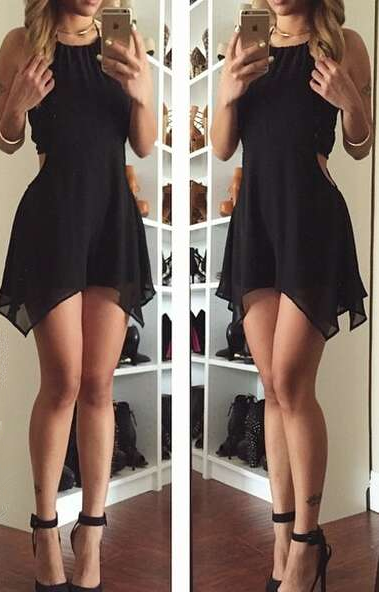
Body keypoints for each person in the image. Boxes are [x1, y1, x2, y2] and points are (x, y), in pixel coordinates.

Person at [0, 0, 157, 589]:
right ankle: (44, 528)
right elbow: (7, 137)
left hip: (112, 217)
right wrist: (17, 102)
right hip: (54, 217)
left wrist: (142, 90)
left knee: (99, 385)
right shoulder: (22, 42)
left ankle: (91, 531)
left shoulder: (126, 39)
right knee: (62, 381)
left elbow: (144, 144)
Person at [212, 1, 371, 590]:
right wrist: (228, 89)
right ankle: (283, 537)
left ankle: (307, 544)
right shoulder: (244, 43)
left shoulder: (345, 44)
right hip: (256, 220)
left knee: (292, 384)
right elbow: (223, 148)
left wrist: (350, 100)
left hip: (310, 218)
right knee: (271, 387)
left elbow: (361, 143)